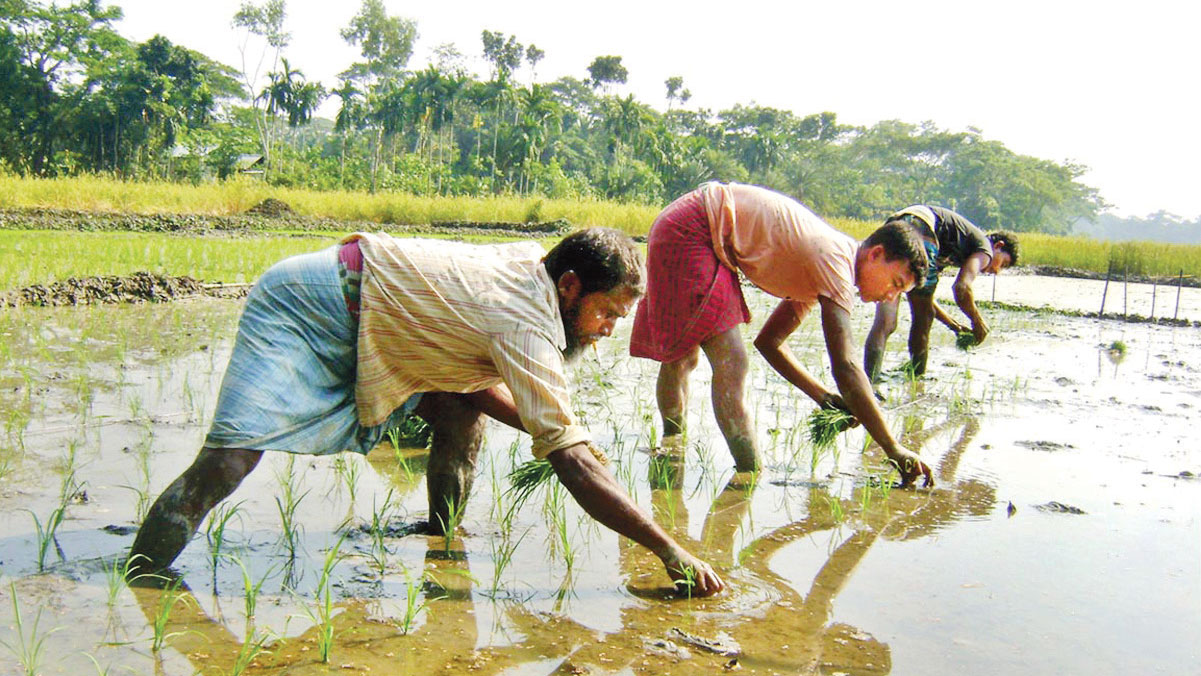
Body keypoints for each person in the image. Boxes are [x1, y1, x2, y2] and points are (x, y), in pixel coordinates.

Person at [127, 228, 724, 596]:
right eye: (607, 312)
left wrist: (565, 433)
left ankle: (442, 536)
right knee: (231, 458)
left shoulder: (532, 272)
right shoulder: (524, 320)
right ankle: (141, 576)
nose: (608, 329)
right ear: (569, 286)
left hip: (377, 316)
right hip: (307, 304)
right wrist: (667, 548)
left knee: (461, 411)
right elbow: (570, 465)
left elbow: (476, 391)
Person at [629, 181, 933, 486]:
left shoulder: (823, 269)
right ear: (876, 254)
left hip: (697, 227)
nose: (890, 297)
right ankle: (746, 471)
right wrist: (893, 448)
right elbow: (846, 366)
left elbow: (770, 342)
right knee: (730, 362)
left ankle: (672, 448)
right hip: (693, 228)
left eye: (899, 292)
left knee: (683, 357)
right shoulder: (835, 262)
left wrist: (823, 396)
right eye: (895, 283)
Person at [863, 205, 1020, 382]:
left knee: (887, 321)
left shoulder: (948, 249)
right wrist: (978, 322)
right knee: (924, 317)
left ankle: (871, 379)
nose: (997, 271)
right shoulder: (985, 250)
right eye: (1003, 263)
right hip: (921, 226)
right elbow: (962, 287)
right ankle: (917, 375)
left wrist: (954, 326)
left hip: (897, 224)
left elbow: (924, 298)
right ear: (998, 246)